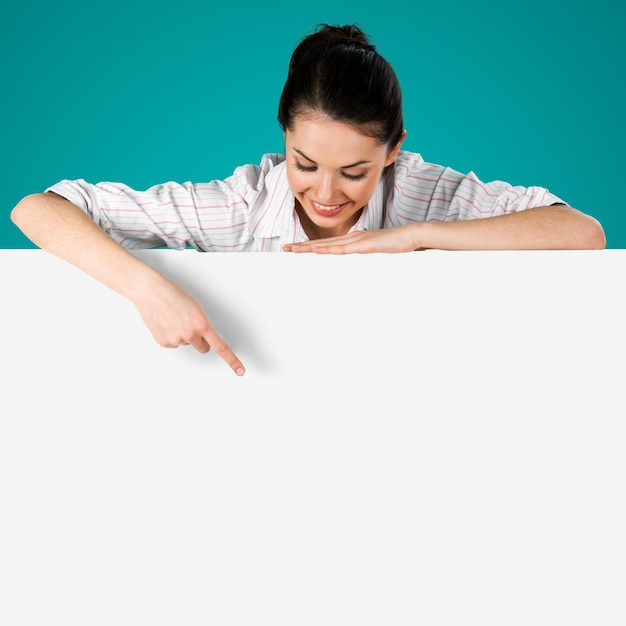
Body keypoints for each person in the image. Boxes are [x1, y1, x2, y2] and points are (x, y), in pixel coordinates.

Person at [10, 23, 606, 376]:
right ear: (284, 139)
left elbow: (582, 234)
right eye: (305, 164)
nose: (326, 194)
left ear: (394, 150)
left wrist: (415, 235)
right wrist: (149, 289)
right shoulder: (238, 205)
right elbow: (35, 209)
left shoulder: (425, 191)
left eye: (354, 172)